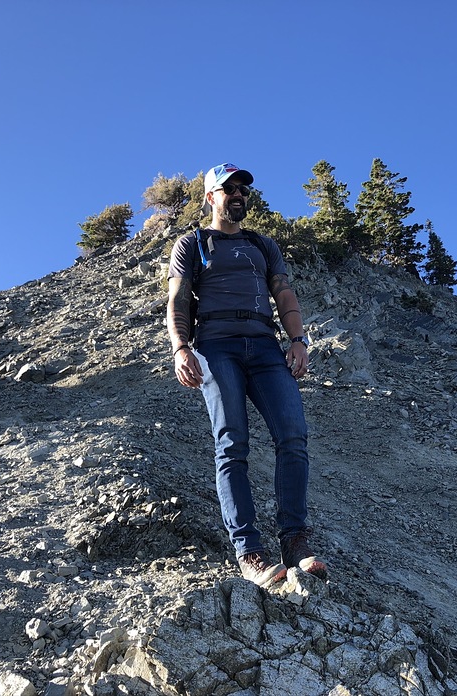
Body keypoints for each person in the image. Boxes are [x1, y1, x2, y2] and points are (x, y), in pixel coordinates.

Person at [166, 162, 327, 587]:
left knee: (293, 436)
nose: (238, 194)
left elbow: (284, 294)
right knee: (232, 443)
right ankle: (249, 551)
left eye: (243, 189)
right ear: (210, 197)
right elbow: (179, 300)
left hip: (266, 346)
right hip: (217, 347)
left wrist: (298, 341)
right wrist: (181, 348)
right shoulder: (193, 243)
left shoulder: (263, 244)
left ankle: (295, 541)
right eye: (228, 188)